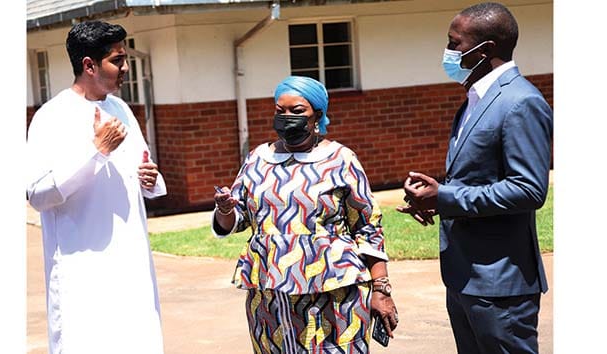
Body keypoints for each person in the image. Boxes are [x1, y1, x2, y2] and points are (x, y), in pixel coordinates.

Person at [397, 2, 552, 353]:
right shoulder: (474, 99)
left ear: (486, 50)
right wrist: (435, 200)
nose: (449, 52)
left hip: (500, 284)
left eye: (455, 43)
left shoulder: (519, 102)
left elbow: (528, 189)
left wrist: (448, 198)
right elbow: (479, 180)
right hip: (466, 277)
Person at [212, 75, 398, 353]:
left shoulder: (340, 159)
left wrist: (381, 288)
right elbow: (237, 219)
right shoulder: (257, 159)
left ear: (317, 116)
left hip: (335, 290)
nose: (287, 118)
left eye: (297, 112)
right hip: (269, 293)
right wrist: (225, 210)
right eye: (280, 111)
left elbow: (368, 225)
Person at [26, 20, 166, 354]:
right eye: (117, 60)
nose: (126, 67)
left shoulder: (120, 110)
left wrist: (151, 178)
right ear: (89, 65)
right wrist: (96, 151)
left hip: (131, 266)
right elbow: (38, 195)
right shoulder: (51, 116)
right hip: (82, 272)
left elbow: (143, 168)